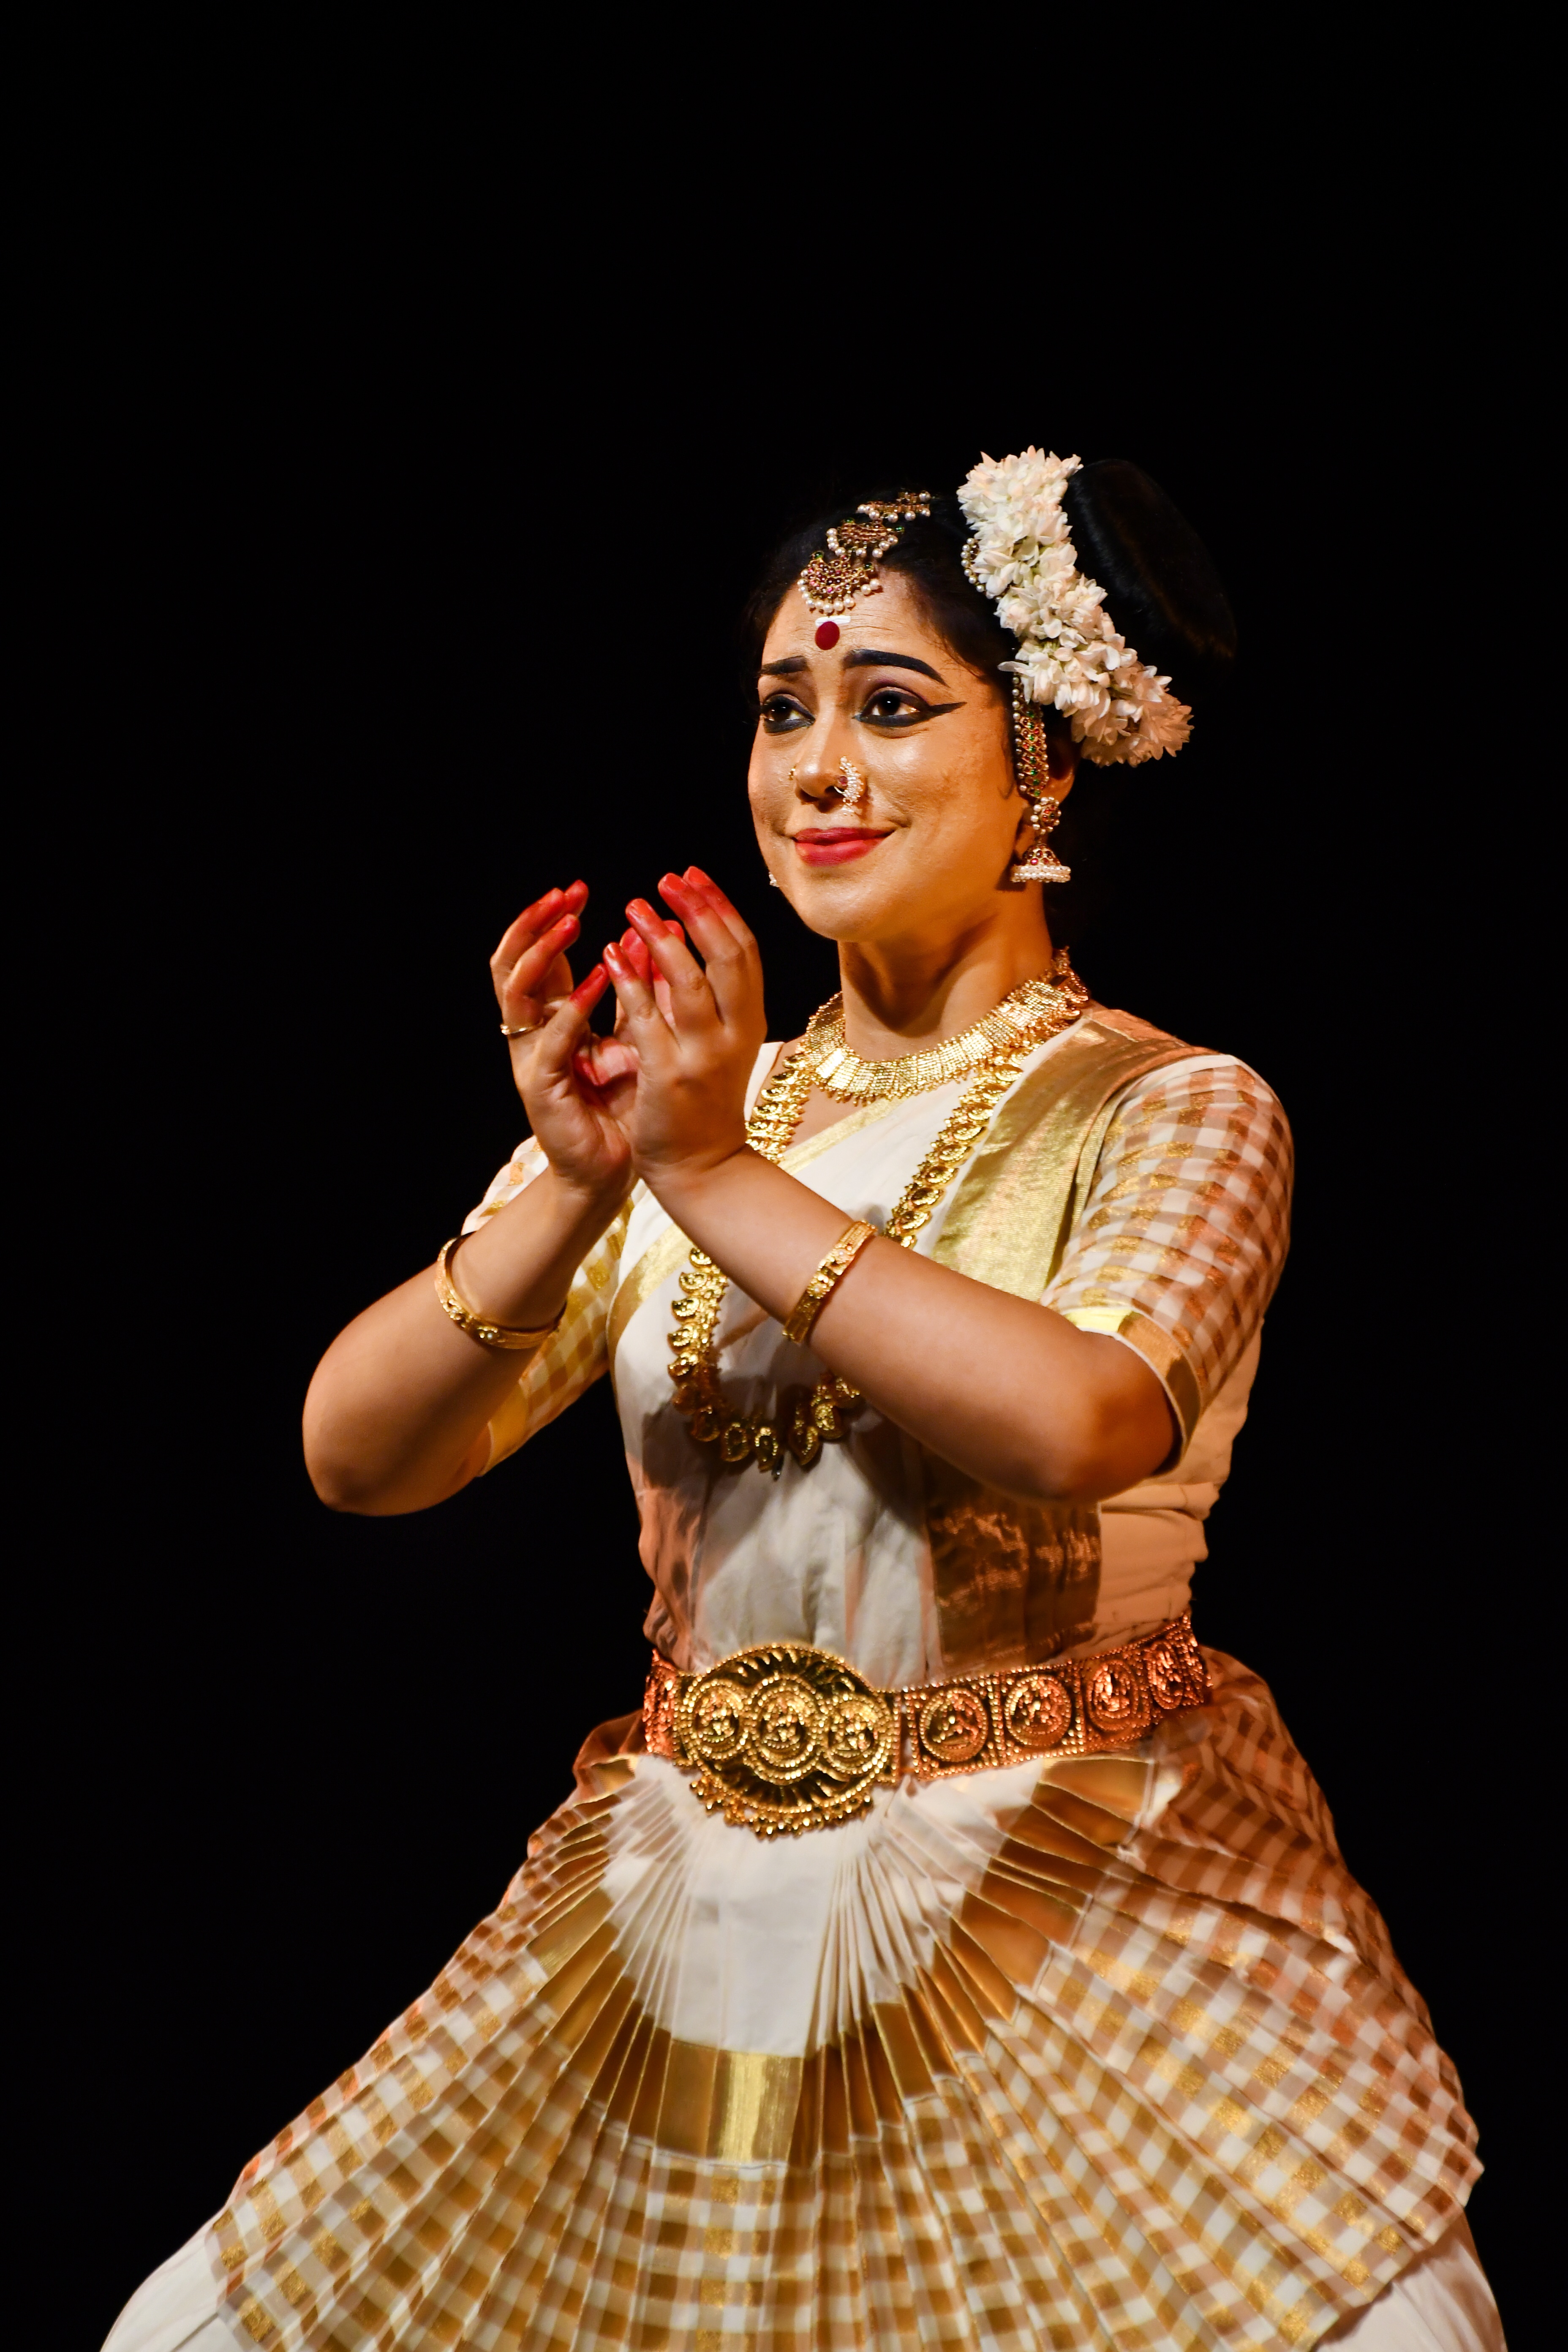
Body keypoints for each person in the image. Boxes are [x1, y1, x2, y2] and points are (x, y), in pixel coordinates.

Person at [107, 451, 1502, 2349]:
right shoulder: (693, 1108)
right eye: (783, 712)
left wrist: (709, 1180)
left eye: (890, 706)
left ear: (1047, 762)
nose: (817, 768)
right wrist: (587, 1183)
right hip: (686, 1900)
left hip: (1077, 1886)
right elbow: (356, 1456)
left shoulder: (1173, 1105)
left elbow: (1082, 1425)